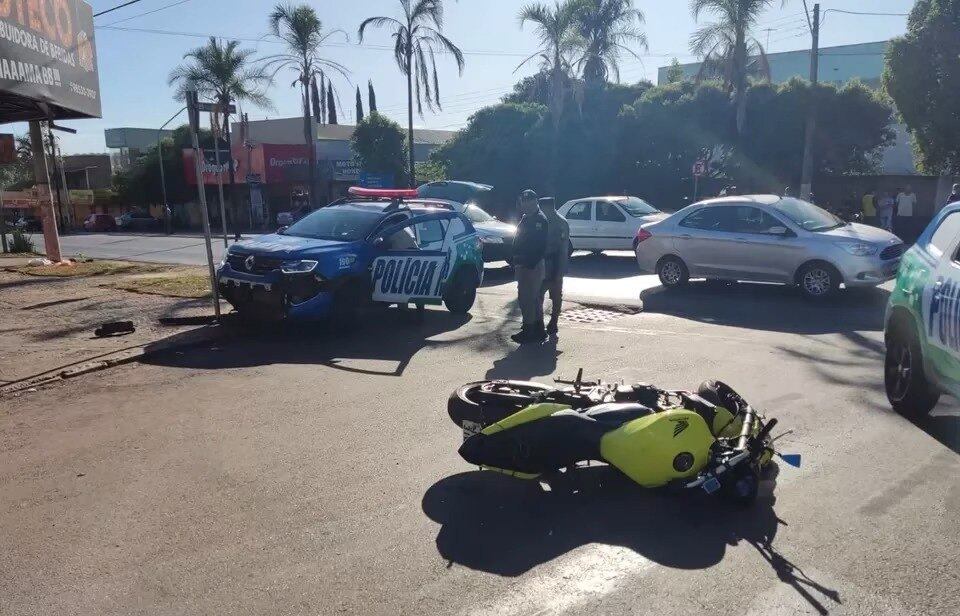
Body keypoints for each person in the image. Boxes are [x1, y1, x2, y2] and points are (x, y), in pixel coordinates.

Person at [511, 189, 548, 344]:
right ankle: (538, 329)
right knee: (531, 298)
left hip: (532, 265)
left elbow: (539, 246)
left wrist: (527, 262)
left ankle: (529, 330)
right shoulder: (526, 218)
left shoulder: (539, 220)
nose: (525, 205)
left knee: (528, 298)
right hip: (524, 263)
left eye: (528, 202)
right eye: (523, 202)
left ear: (535, 202)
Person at [538, 197, 569, 336]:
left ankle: (554, 321)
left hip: (555, 263)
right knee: (538, 294)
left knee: (556, 295)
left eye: (543, 208)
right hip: (541, 264)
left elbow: (563, 248)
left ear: (549, 207)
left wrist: (560, 270)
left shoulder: (561, 223)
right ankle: (538, 322)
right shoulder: (541, 220)